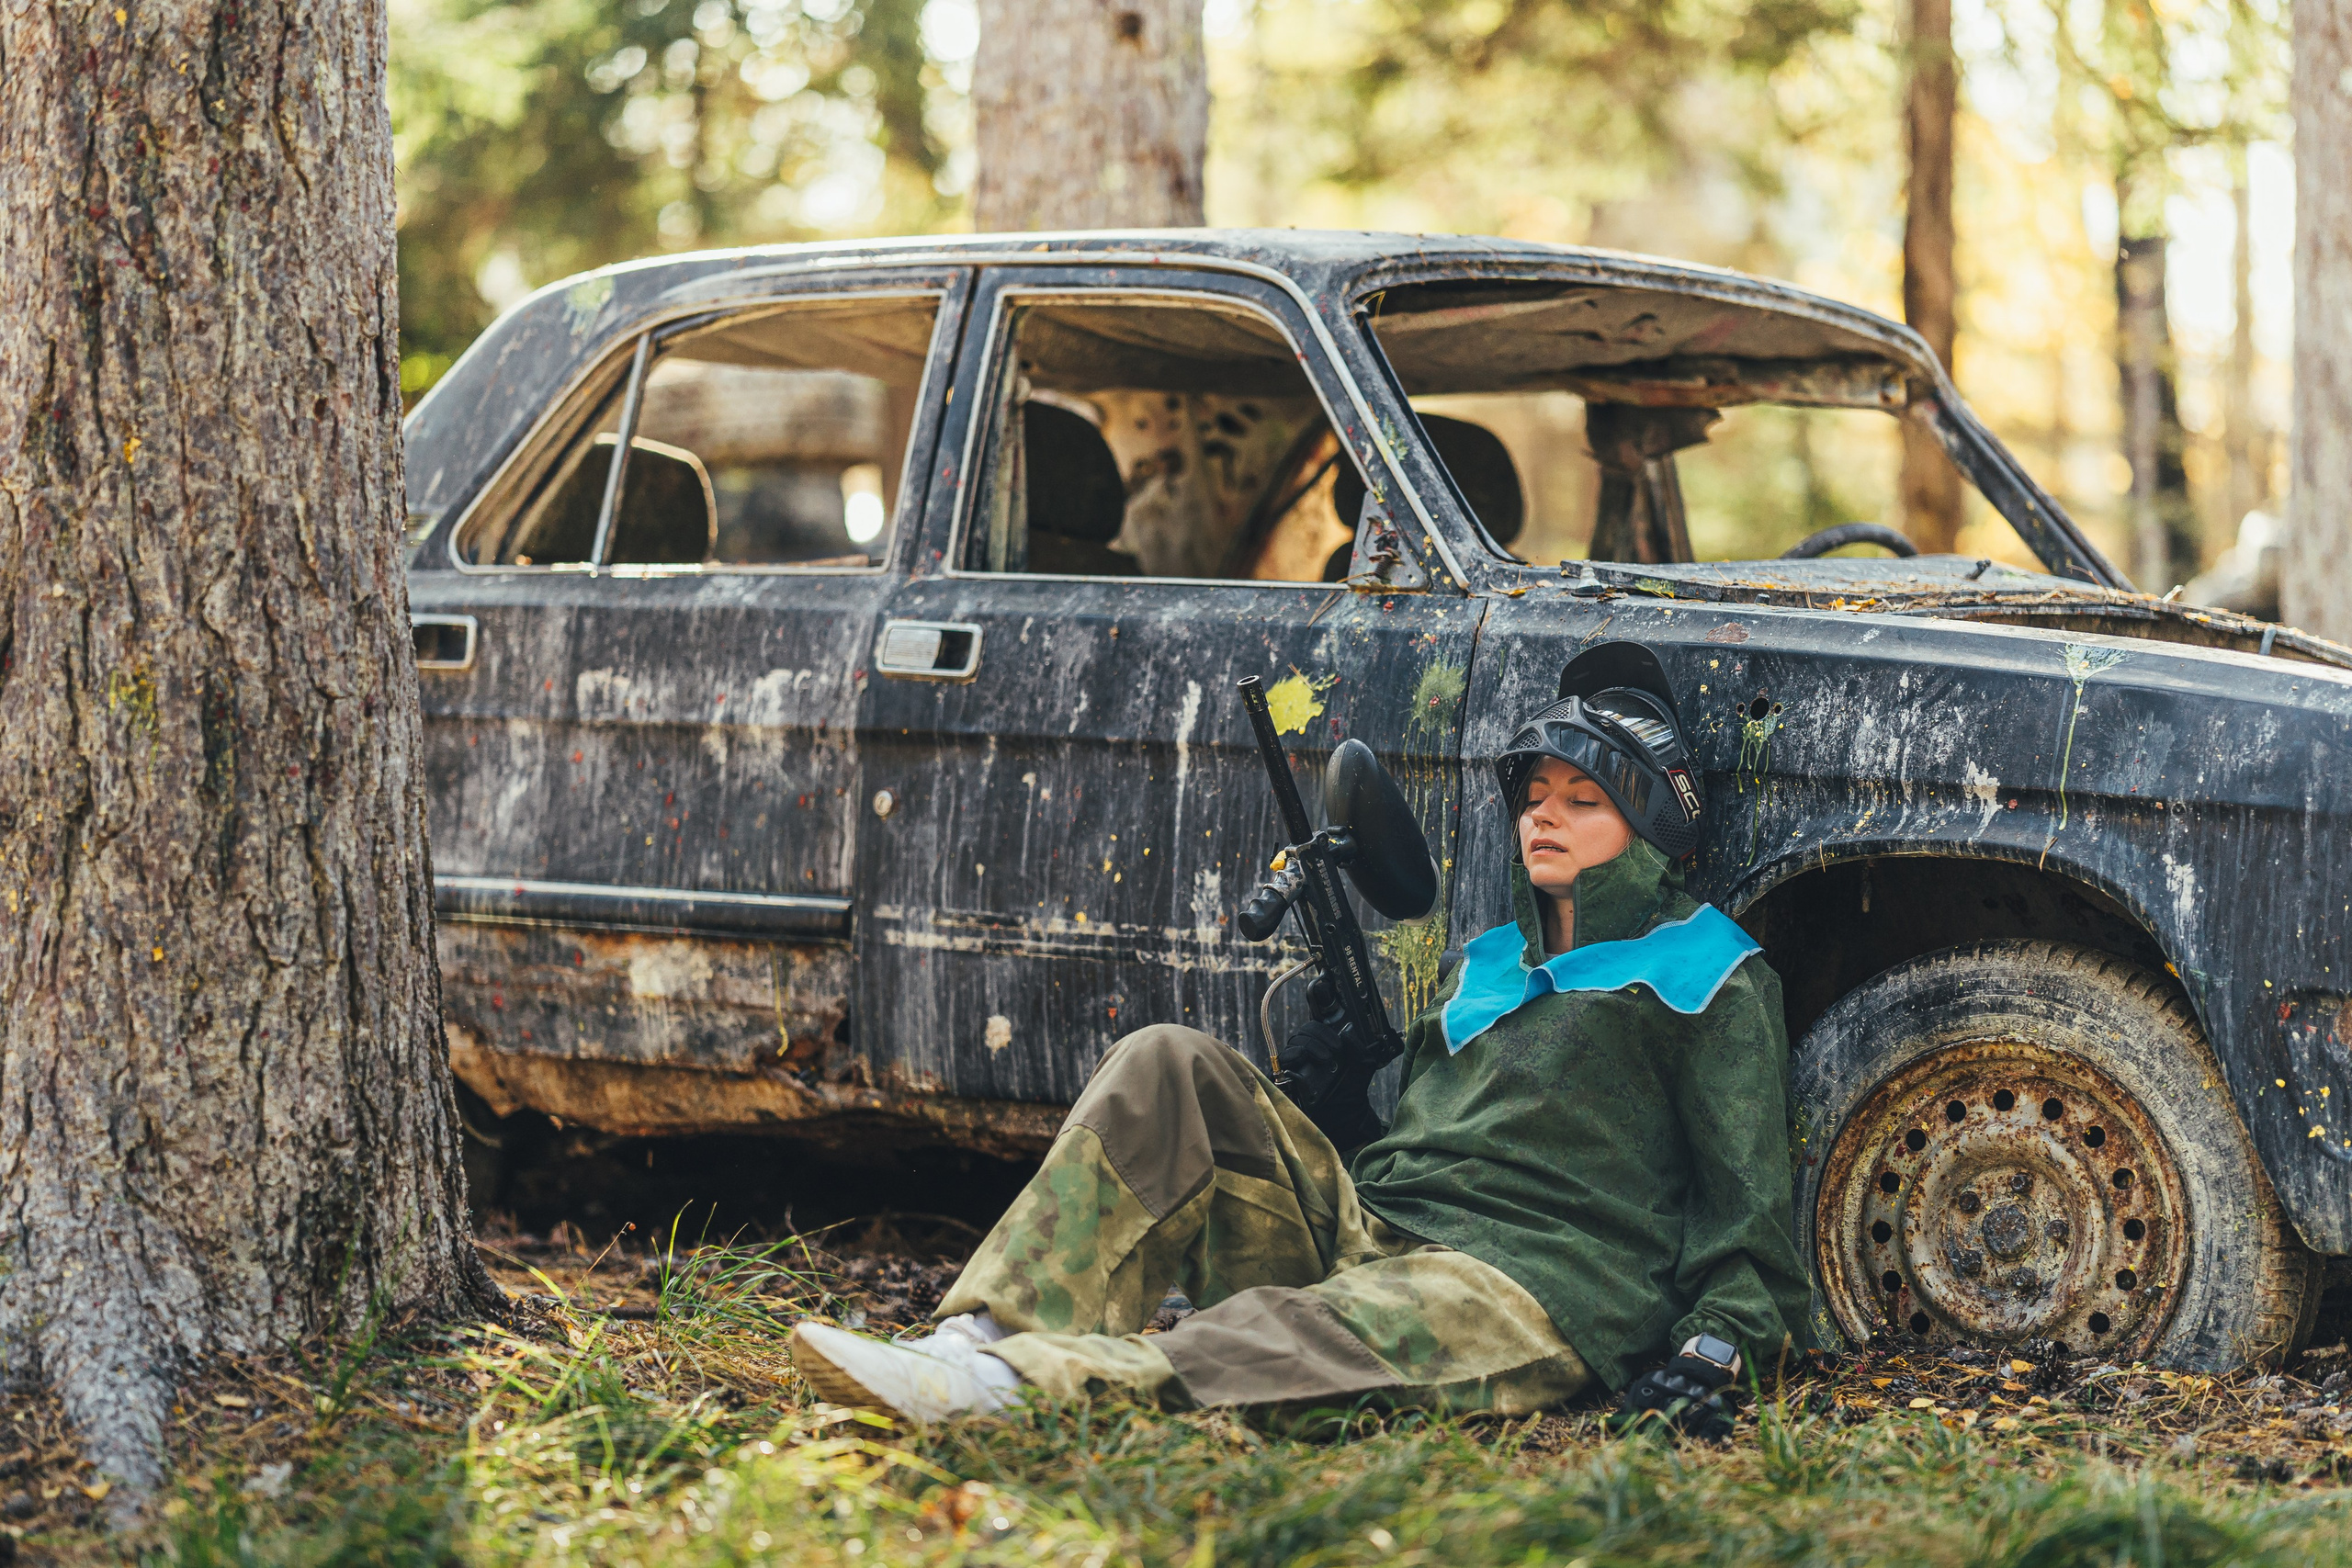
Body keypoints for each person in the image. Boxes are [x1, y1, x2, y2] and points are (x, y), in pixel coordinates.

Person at [791, 642, 1813, 1437]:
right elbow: (1426, 1149)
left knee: (1296, 1335)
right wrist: (1337, 1107)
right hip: (1378, 1230)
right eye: (1535, 797)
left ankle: (1012, 1391)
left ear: (1652, 827)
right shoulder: (1486, 961)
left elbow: (1748, 1205)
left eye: (1584, 801)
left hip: (1531, 1280)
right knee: (1168, 1064)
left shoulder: (1709, 974)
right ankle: (981, 1334)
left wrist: (1716, 1348)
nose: (1546, 818)